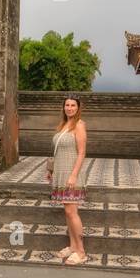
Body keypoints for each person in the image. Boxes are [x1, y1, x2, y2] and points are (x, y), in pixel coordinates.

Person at [47, 96, 88, 266]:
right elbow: (56, 151)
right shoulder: (63, 125)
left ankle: (81, 251)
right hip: (60, 172)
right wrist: (50, 169)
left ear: (78, 108)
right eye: (67, 105)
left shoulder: (79, 125)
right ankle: (72, 246)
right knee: (67, 211)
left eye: (73, 105)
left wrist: (73, 175)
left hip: (72, 174)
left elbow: (81, 152)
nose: (69, 108)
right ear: (63, 108)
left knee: (72, 212)